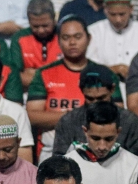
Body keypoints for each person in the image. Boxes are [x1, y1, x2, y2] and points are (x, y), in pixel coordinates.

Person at [27, 14, 111, 161]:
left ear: (89, 38)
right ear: (58, 41)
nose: (72, 42)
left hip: (98, 150)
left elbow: (115, 112)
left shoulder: (103, 73)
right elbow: (32, 115)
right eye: (66, 38)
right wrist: (75, 117)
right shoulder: (44, 73)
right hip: (51, 150)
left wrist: (62, 116)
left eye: (78, 37)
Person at [62, 100, 138, 184]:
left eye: (109, 139)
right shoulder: (69, 163)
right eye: (96, 138)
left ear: (118, 132)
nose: (102, 146)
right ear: (85, 131)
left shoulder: (133, 164)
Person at [53, 66, 138, 159]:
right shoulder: (68, 122)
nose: (95, 103)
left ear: (112, 89)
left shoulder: (131, 122)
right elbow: (59, 161)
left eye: (101, 98)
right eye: (90, 98)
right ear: (81, 91)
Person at [85, 0, 138, 83]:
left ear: (131, 9)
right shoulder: (93, 32)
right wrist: (114, 69)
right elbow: (88, 66)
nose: (118, 20)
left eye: (122, 14)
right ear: (105, 9)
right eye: (113, 14)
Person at [8, 0, 61, 89]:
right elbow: (16, 77)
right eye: (35, 26)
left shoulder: (64, 35)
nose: (40, 30)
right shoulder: (19, 38)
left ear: (54, 19)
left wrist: (33, 73)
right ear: (29, 21)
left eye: (45, 26)